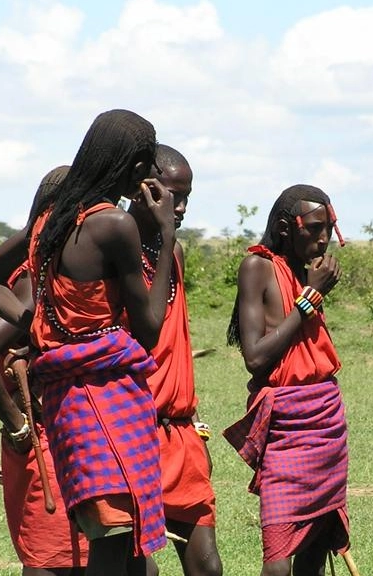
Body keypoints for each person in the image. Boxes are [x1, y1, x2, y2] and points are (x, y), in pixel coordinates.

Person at [0, 109, 175, 576]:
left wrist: (38, 321)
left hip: (66, 402)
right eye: (142, 165)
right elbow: (149, 328)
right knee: (113, 544)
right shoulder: (113, 225)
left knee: (116, 542)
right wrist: (163, 232)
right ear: (127, 164)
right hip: (106, 399)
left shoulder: (49, 221)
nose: (144, 177)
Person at [0, 165, 88, 576]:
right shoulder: (34, 279)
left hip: (60, 440)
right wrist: (18, 427)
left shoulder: (58, 276)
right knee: (53, 559)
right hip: (46, 444)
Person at [223, 184, 348, 576]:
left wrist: (310, 289)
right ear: (284, 228)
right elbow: (256, 357)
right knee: (277, 552)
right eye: (313, 228)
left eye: (328, 227)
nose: (323, 237)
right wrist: (310, 297)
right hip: (285, 425)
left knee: (315, 546)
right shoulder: (257, 267)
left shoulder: (306, 272)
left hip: (325, 421)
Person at [126, 144, 223, 576]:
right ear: (144, 189)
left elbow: (175, 344)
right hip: (134, 431)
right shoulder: (114, 246)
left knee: (207, 566)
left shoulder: (176, 253)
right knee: (141, 568)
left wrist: (195, 424)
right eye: (171, 196)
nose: (180, 208)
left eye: (186, 198)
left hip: (181, 432)